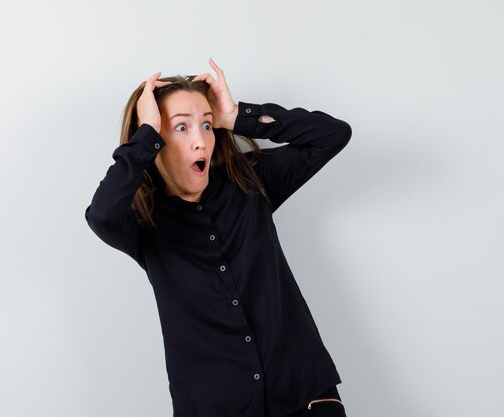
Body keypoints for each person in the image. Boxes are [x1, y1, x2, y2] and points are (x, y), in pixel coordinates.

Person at [84, 58, 352, 417]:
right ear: (154, 140)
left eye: (207, 125)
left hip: (304, 399)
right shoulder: (142, 222)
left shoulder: (250, 181)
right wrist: (145, 133)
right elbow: (100, 214)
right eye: (181, 128)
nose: (201, 141)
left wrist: (236, 116)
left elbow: (332, 135)